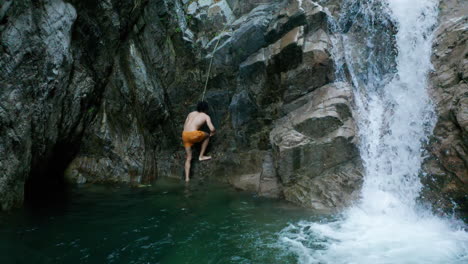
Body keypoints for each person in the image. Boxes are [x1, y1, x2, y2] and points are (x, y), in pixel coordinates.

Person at [182, 101, 216, 182]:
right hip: (193, 134)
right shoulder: (205, 116)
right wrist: (212, 133)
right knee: (207, 136)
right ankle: (201, 156)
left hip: (184, 135)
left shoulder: (191, 113)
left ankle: (187, 179)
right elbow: (212, 129)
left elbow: (184, 125)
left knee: (188, 157)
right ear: (206, 109)